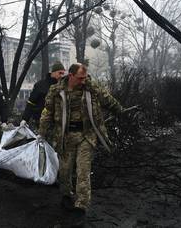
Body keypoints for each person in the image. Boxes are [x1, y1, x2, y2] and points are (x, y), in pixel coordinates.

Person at [38, 63, 123, 226]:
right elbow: (48, 112)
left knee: (83, 169)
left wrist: (120, 110)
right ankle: (66, 196)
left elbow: (107, 99)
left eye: (85, 77)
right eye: (80, 78)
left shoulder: (91, 87)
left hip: (86, 135)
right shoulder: (56, 91)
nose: (84, 80)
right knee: (65, 170)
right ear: (70, 76)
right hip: (65, 136)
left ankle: (81, 205)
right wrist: (42, 133)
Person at [20, 61, 66, 128]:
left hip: (59, 123)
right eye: (60, 73)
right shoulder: (40, 85)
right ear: (53, 72)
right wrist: (25, 119)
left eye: (63, 73)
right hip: (42, 122)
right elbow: (31, 102)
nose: (61, 76)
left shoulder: (63, 86)